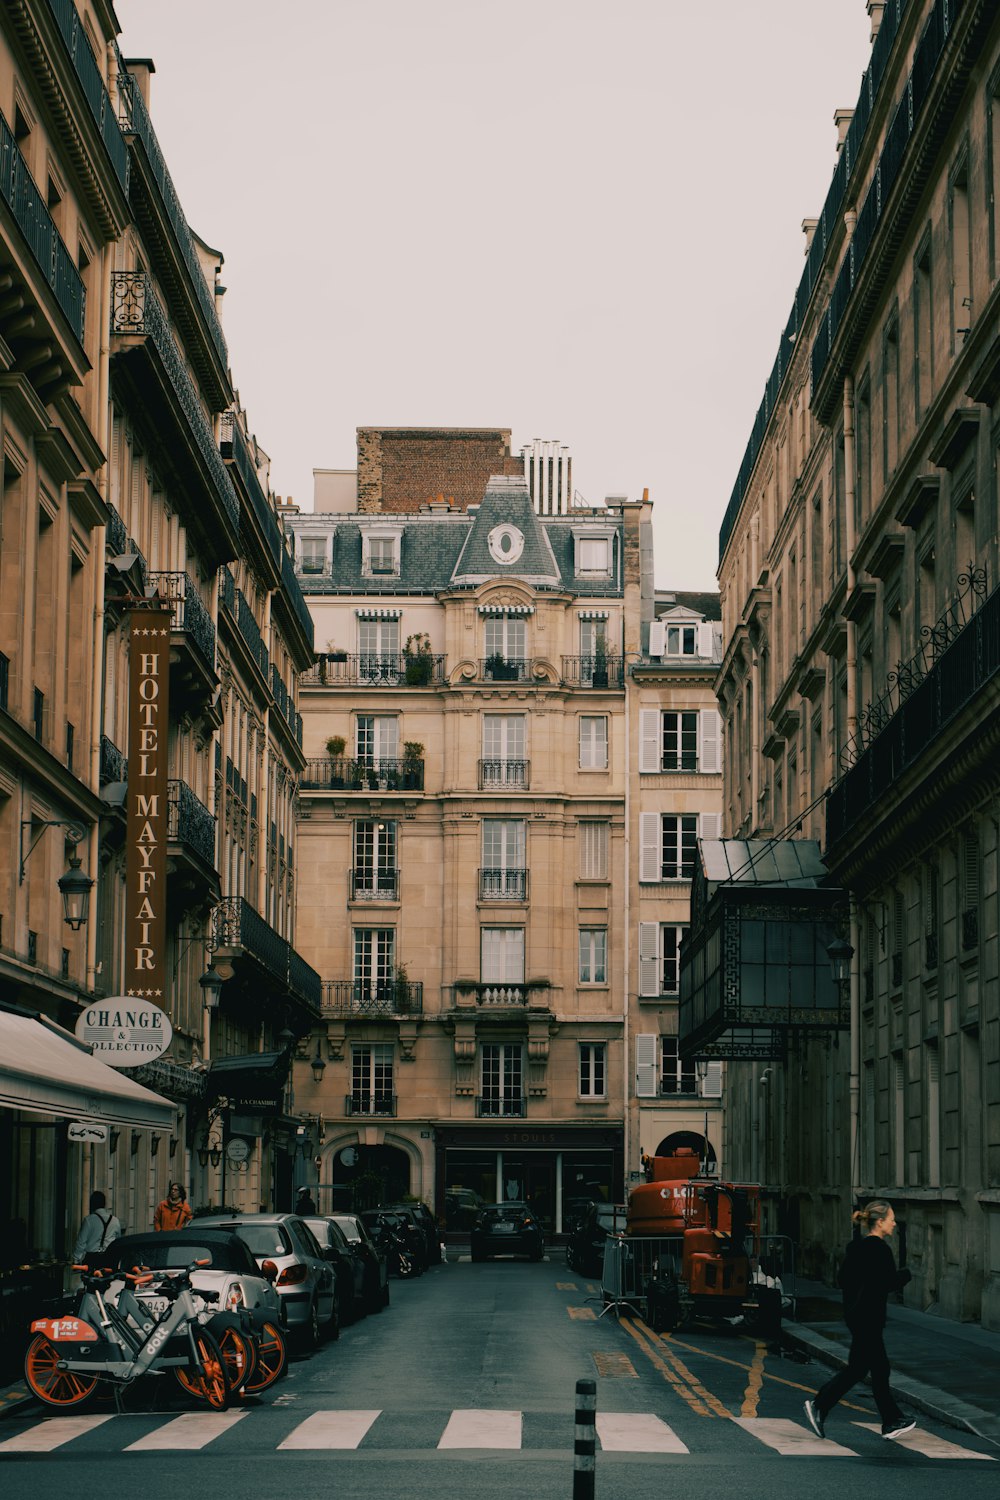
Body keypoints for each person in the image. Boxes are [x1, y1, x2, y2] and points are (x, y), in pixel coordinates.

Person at [804, 1200, 915, 1441]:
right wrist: (906, 1275)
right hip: (870, 1317)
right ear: (880, 1222)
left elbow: (843, 1279)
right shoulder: (880, 1249)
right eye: (891, 1219)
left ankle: (890, 1420)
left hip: (856, 1315)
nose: (895, 1223)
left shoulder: (856, 1247)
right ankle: (820, 1405)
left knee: (869, 1368)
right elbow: (887, 1283)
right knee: (866, 1369)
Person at [71, 1190, 121, 1268]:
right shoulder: (115, 1220)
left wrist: (76, 1259)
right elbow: (118, 1241)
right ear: (104, 1204)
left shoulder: (88, 1220)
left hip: (92, 1259)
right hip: (109, 1258)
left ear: (92, 1204)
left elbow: (81, 1243)